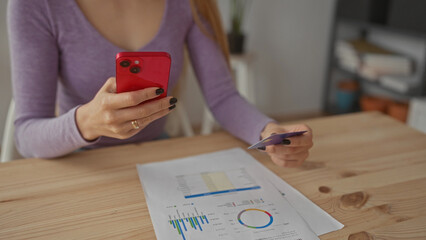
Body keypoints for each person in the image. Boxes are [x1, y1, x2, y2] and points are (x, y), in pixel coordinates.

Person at [8, 0, 313, 167]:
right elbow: (27, 132)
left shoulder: (187, 3)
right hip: (80, 164)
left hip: (156, 158)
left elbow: (222, 96)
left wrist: (268, 131)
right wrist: (85, 123)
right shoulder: (36, 5)